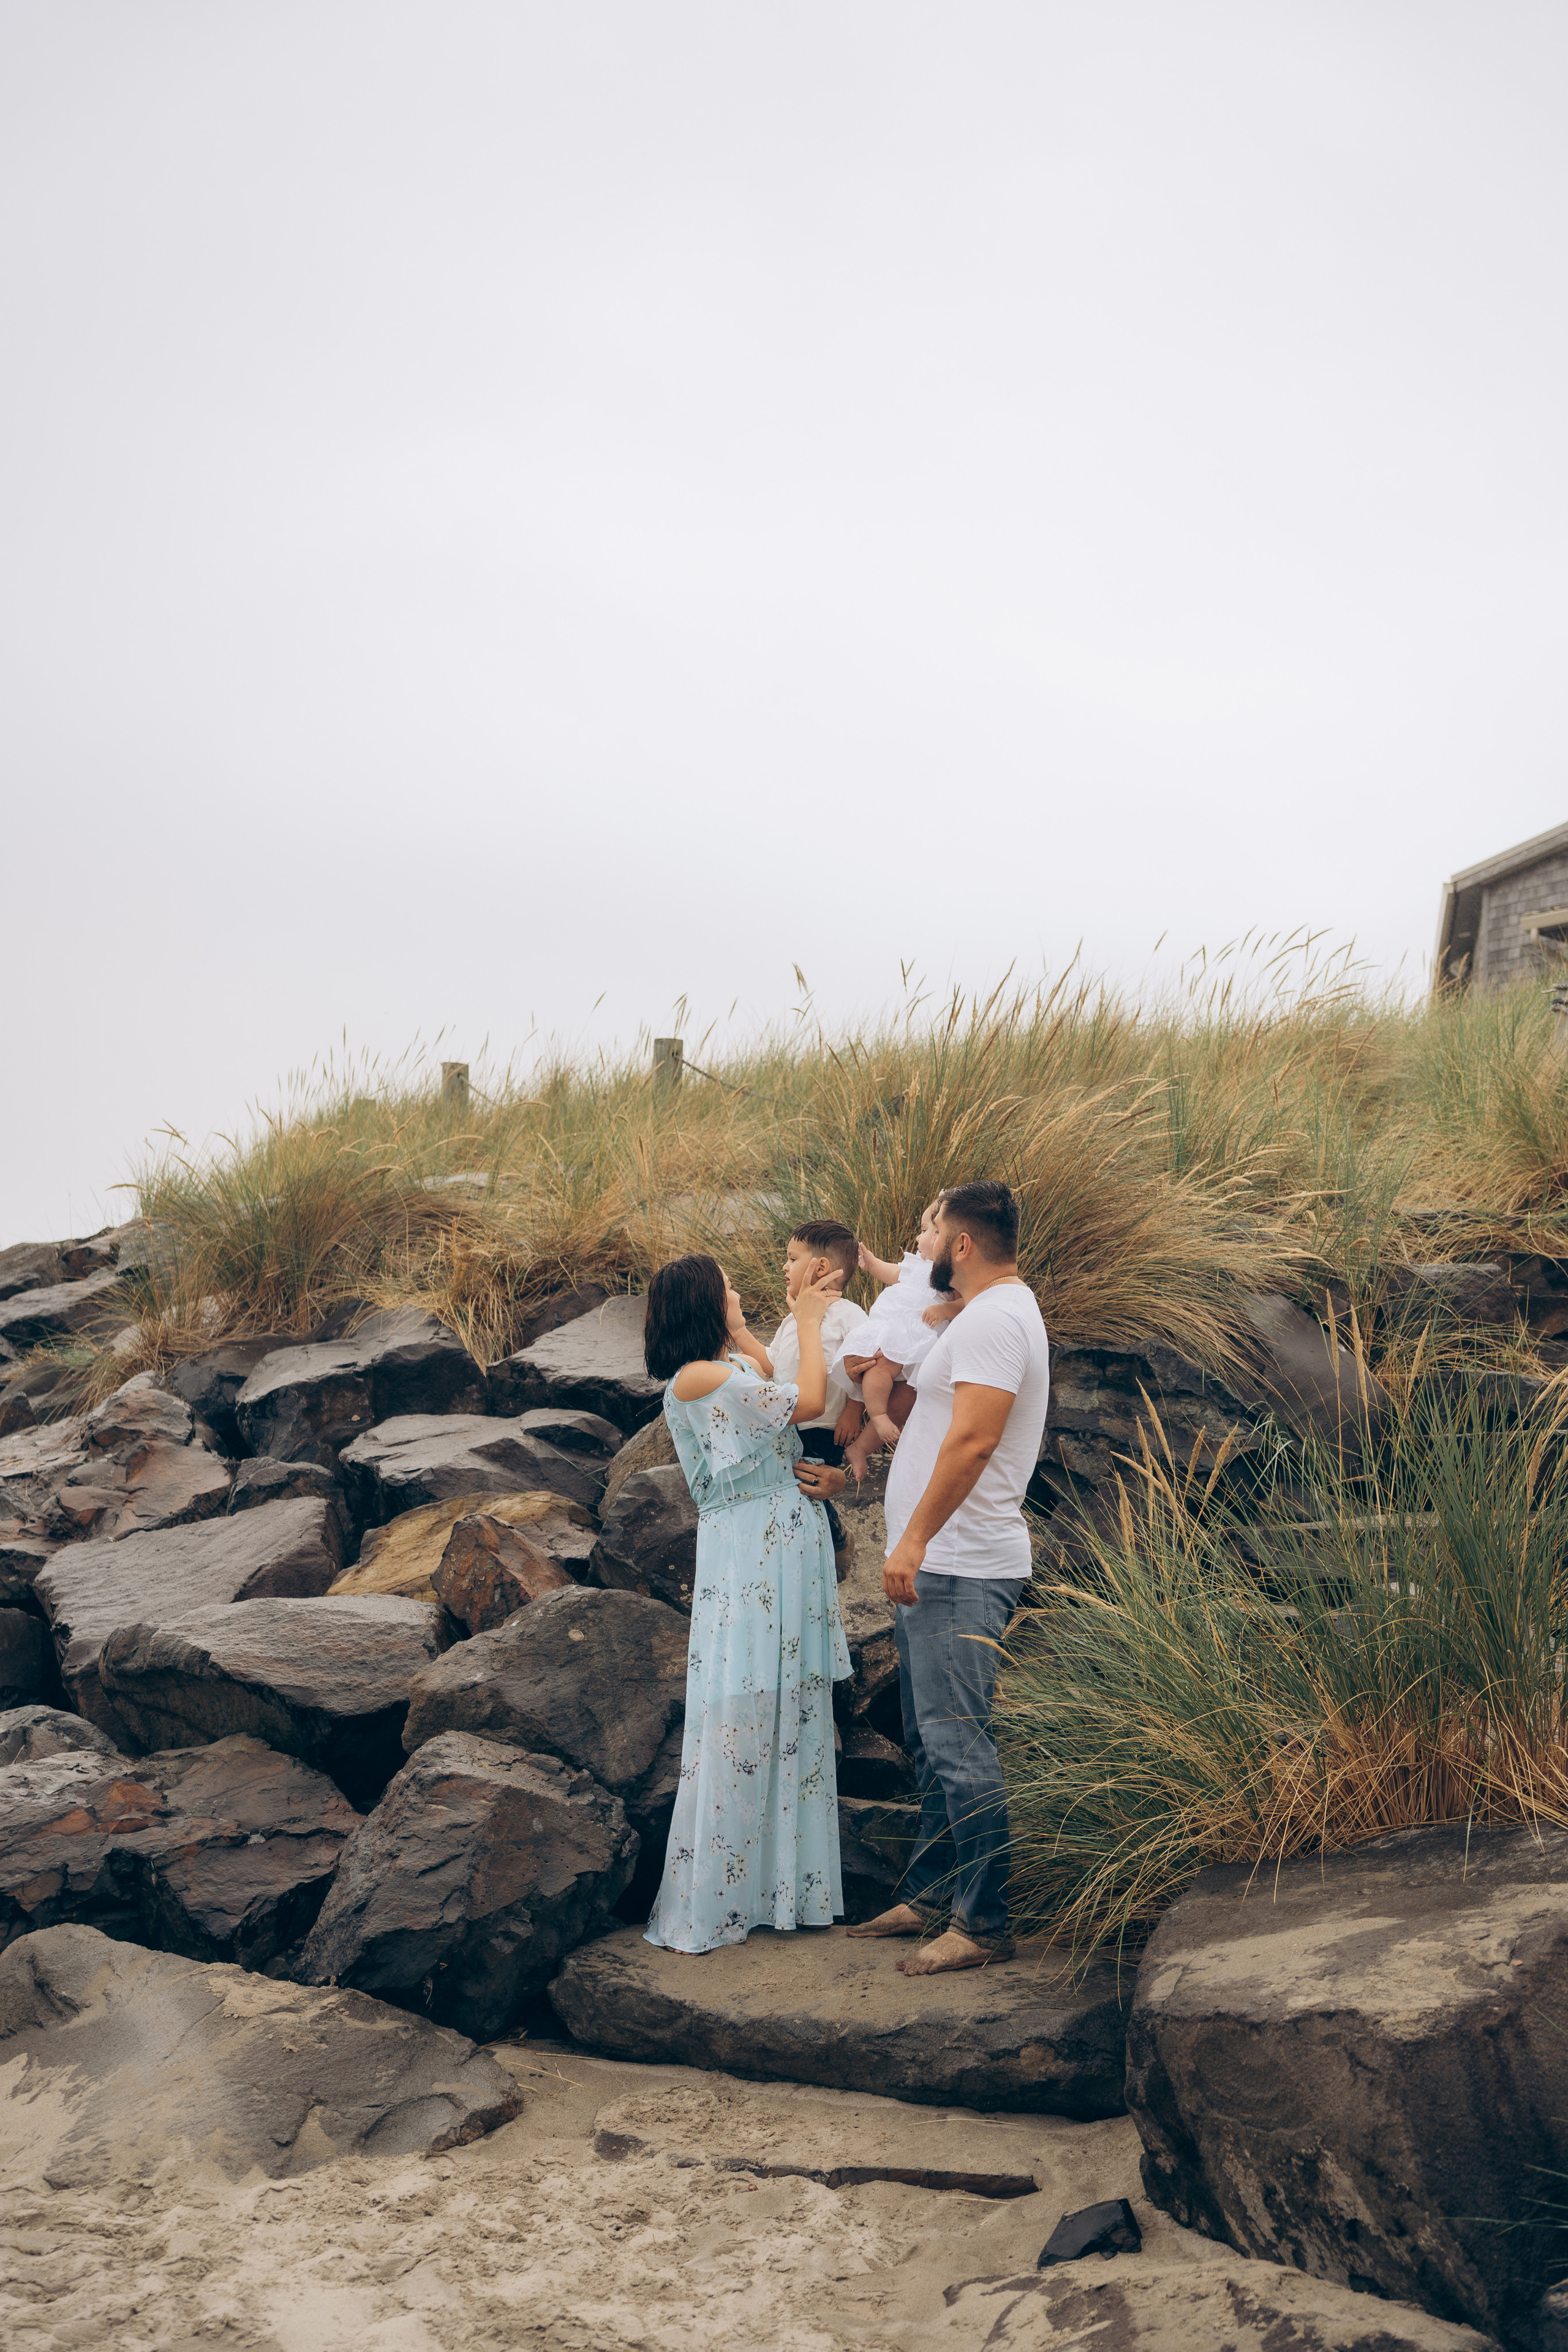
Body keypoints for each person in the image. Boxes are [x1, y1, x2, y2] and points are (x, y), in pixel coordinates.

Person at [846, 1178, 1048, 1975]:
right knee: (933, 1746)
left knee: (960, 1745)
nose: (918, 1247)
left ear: (962, 1245)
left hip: (959, 1562)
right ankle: (932, 1897)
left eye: (930, 1233)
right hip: (941, 1559)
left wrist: (914, 1541)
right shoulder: (982, 1315)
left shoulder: (999, 1317)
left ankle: (984, 1922)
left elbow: (972, 1443)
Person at [641, 1251, 853, 1953]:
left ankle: (775, 1890)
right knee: (747, 1705)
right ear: (702, 1303)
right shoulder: (699, 1378)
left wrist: (758, 1329)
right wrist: (807, 1321)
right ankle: (726, 1893)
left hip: (774, 1541)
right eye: (727, 1288)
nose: (739, 1293)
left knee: (783, 1701)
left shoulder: (723, 1367)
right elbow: (809, 1399)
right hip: (754, 1548)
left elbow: (766, 1375)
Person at [839, 1197, 962, 1480]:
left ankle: (861, 1447)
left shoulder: (951, 1275)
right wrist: (871, 1263)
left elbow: (964, 1303)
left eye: (924, 1230)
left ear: (941, 1236)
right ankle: (878, 1415)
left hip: (922, 1340)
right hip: (896, 1328)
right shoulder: (917, 1265)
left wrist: (946, 1309)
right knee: (880, 1368)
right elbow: (892, 1273)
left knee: (907, 1398)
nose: (919, 1237)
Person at [763, 1218, 873, 1472]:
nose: (784, 1267)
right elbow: (771, 1361)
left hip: (824, 1428)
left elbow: (867, 1366)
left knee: (813, 1484)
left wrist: (854, 1410)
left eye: (792, 1259)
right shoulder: (793, 1318)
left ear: (821, 1267)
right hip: (787, 1423)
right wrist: (738, 1332)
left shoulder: (850, 1315)